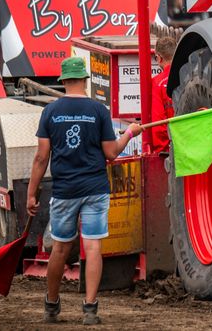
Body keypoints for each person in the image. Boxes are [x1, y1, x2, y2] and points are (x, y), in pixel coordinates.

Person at [27, 56, 142, 325]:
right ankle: (90, 309)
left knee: (59, 249)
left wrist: (32, 193)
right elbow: (111, 153)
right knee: (93, 248)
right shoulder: (98, 110)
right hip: (95, 189)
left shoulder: (51, 112)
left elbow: (41, 158)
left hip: (65, 190)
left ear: (64, 81)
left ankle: (52, 306)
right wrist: (130, 133)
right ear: (84, 80)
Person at [146, 36, 177, 153]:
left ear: (158, 58)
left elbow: (158, 123)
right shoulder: (189, 77)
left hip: (170, 148)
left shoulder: (157, 83)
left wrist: (162, 151)